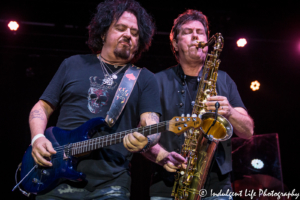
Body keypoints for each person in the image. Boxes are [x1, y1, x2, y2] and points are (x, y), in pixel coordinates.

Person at [29, 0, 161, 199]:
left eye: (134, 32)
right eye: (120, 28)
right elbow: (42, 107)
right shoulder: (73, 64)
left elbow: (152, 123)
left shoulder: (144, 78)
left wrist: (146, 139)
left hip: (111, 182)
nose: (128, 35)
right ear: (102, 33)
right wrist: (37, 139)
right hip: (55, 174)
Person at [143, 9, 254, 200]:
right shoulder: (156, 81)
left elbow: (248, 131)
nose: (195, 36)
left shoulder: (224, 80)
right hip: (168, 184)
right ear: (175, 44)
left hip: (217, 185)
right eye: (187, 32)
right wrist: (163, 156)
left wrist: (231, 113)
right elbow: (144, 135)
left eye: (200, 32)